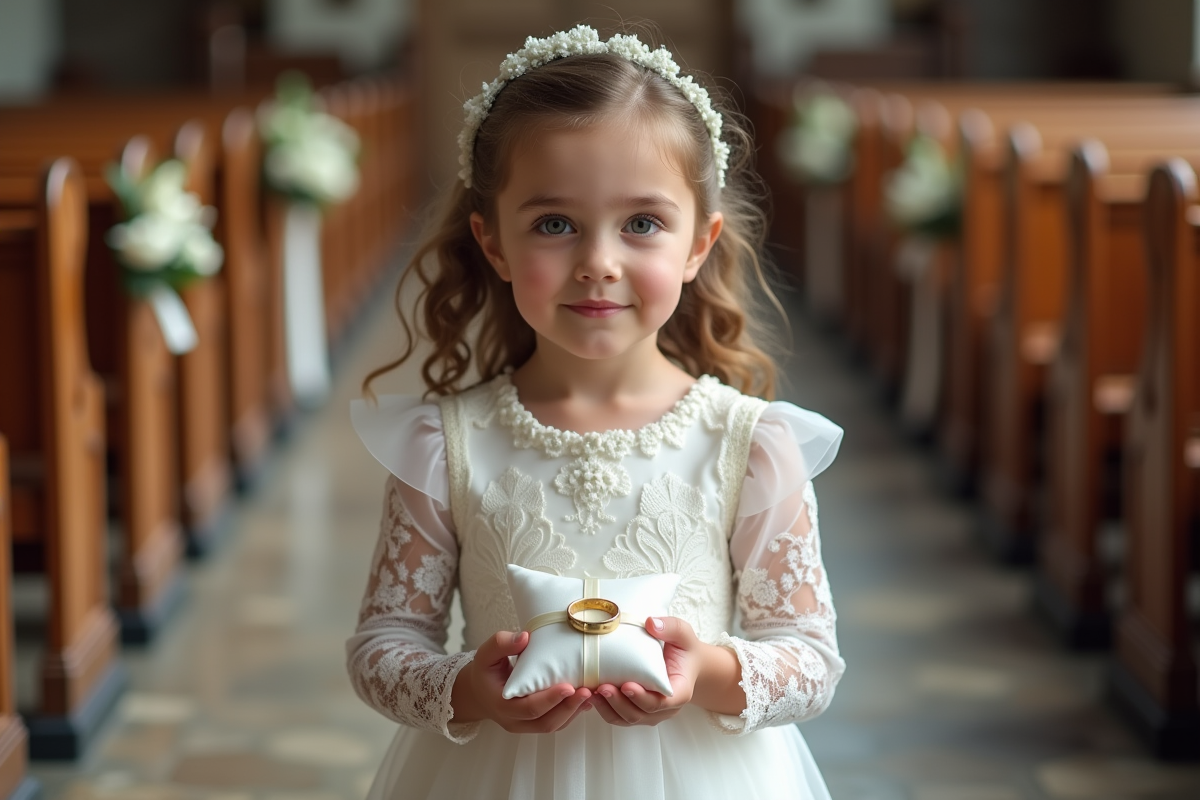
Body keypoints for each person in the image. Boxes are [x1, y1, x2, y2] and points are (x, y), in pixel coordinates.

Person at [348, 24, 845, 800]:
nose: (598, 262)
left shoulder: (751, 444)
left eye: (642, 223)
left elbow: (810, 658)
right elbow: (383, 642)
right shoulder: (444, 445)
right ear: (494, 243)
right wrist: (468, 689)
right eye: (554, 224)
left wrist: (708, 672)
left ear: (698, 243)